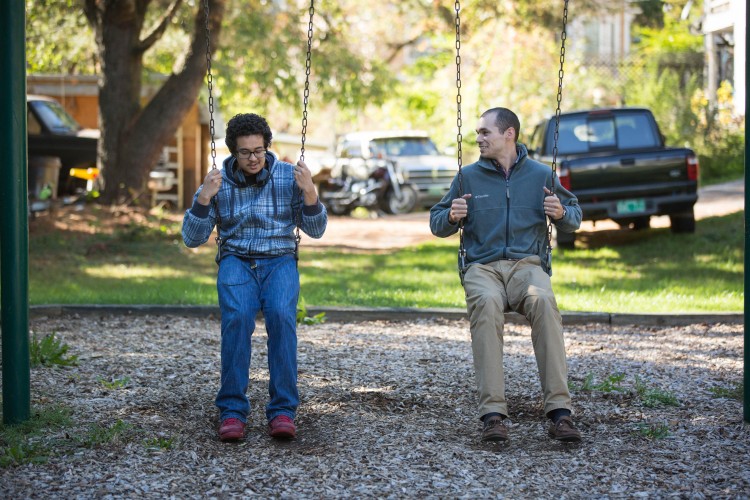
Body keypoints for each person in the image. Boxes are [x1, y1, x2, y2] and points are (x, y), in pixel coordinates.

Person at [429, 107, 582, 443]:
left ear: (509, 134)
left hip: (527, 266)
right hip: (482, 267)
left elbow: (574, 214)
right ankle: (493, 414)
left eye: (486, 132)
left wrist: (561, 213)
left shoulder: (541, 174)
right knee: (485, 304)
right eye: (478, 132)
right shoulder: (467, 176)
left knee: (544, 301)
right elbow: (436, 221)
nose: (479, 138)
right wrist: (452, 217)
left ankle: (560, 413)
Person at [182, 113, 327, 441]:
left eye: (259, 151)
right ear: (233, 152)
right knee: (237, 318)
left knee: (280, 317)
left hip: (279, 260)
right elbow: (192, 238)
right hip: (236, 259)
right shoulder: (218, 183)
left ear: (267, 147)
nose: (253, 159)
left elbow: (316, 230)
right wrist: (204, 197)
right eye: (245, 152)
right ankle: (232, 411)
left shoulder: (289, 177)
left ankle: (283, 410)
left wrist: (310, 194)